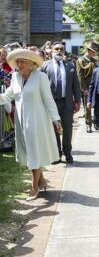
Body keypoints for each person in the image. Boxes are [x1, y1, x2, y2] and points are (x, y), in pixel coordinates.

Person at [0, 49, 61, 201]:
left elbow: (48, 100)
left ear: (31, 63)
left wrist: (56, 119)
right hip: (21, 123)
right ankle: (42, 181)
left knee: (34, 152)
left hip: (37, 121)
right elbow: (8, 95)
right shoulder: (15, 77)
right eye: (18, 62)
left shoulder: (41, 77)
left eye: (23, 61)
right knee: (30, 152)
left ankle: (34, 188)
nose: (19, 64)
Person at [42, 41, 81, 164]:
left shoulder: (70, 65)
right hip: (51, 103)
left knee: (68, 129)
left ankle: (67, 152)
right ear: (52, 51)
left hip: (67, 103)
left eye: (61, 49)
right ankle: (56, 154)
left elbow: (76, 84)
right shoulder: (44, 66)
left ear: (64, 51)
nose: (59, 51)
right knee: (54, 129)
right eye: (56, 49)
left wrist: (78, 101)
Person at [76, 41, 99, 133]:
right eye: (93, 51)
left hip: (96, 86)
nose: (95, 53)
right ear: (88, 50)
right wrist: (84, 89)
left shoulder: (95, 61)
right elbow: (80, 76)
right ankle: (88, 124)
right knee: (87, 106)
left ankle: (96, 122)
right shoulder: (81, 60)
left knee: (97, 105)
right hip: (87, 87)